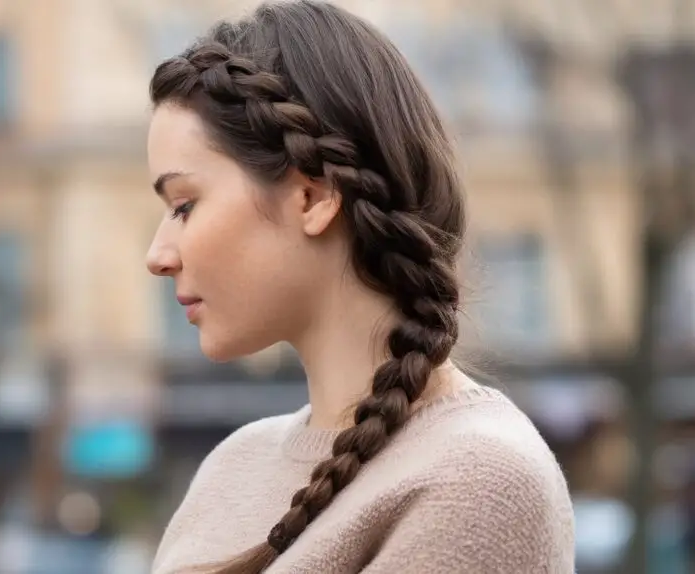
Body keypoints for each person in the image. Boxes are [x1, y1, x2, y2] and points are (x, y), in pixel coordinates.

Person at [144, 2, 575, 572]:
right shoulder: (233, 465)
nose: (157, 257)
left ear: (315, 196)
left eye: (184, 205)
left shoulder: (477, 479)